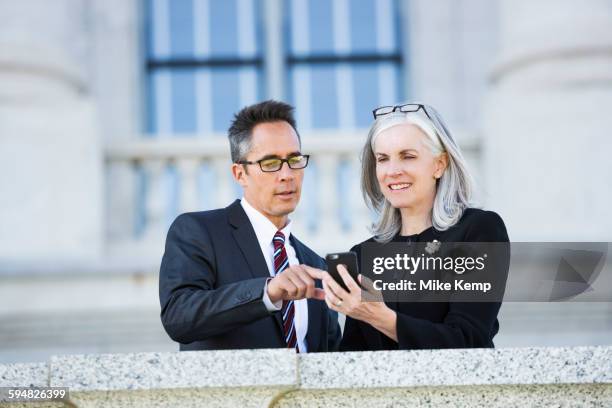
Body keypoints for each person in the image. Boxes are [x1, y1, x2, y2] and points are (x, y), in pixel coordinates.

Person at [321, 103, 509, 350]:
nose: (392, 171)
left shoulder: (478, 231)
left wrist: (379, 317)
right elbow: (353, 356)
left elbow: (468, 340)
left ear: (439, 164)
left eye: (407, 156)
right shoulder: (364, 254)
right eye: (383, 159)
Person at [159, 100, 341, 352]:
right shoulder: (199, 232)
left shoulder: (315, 265)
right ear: (240, 174)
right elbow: (179, 317)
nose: (287, 174)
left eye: (294, 159)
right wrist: (267, 291)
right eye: (270, 163)